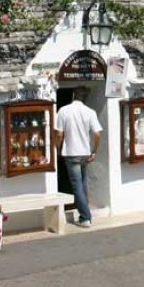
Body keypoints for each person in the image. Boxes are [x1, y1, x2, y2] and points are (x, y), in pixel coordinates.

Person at [54, 86, 102, 228]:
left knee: (77, 187)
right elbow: (97, 133)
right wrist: (94, 151)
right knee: (83, 185)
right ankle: (84, 215)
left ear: (73, 94)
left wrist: (58, 149)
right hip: (85, 153)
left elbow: (59, 134)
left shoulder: (63, 111)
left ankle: (85, 217)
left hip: (71, 152)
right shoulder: (90, 112)